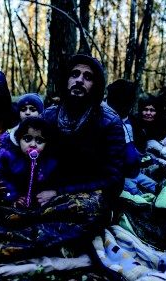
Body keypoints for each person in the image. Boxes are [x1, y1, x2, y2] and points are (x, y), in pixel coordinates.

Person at [39, 54, 125, 207]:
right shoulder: (48, 116)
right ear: (66, 80)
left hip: (87, 194)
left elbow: (114, 179)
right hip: (48, 191)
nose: (79, 80)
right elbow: (13, 140)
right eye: (74, 74)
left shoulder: (110, 123)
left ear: (96, 86)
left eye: (88, 77)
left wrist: (60, 192)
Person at [0, 117, 57, 210]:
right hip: (9, 199)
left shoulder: (49, 162)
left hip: (36, 202)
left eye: (39, 141)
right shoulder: (7, 156)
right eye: (27, 139)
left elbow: (53, 183)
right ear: (19, 140)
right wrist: (13, 197)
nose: (33, 144)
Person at [106, 79, 157, 195]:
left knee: (156, 187)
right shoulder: (105, 120)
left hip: (135, 172)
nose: (129, 106)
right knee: (137, 196)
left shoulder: (129, 120)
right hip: (119, 177)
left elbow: (133, 147)